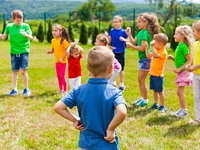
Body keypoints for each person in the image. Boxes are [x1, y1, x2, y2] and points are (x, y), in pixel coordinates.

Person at [54, 46, 127, 150]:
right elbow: (122, 112)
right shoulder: (114, 92)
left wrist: (75, 120)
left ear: (87, 67)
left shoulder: (78, 90)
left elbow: (58, 107)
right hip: (106, 145)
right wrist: (110, 129)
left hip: (86, 145)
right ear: (111, 68)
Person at [125, 13, 161, 107]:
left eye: (140, 22)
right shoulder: (140, 32)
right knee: (140, 80)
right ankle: (142, 98)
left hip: (146, 59)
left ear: (146, 22)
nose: (138, 24)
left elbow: (141, 48)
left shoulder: (145, 33)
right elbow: (134, 41)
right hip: (142, 59)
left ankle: (144, 100)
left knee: (141, 80)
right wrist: (129, 35)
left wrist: (131, 46)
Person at [0, 10, 33, 96]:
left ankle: (26, 89)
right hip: (13, 52)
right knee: (14, 71)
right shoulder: (9, 27)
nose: (19, 22)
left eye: (21, 20)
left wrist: (26, 35)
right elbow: (4, 37)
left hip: (24, 51)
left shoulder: (26, 26)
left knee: (23, 70)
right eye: (17, 21)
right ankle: (14, 89)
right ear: (13, 19)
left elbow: (31, 37)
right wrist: (1, 36)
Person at [168, 25, 194, 117]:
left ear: (183, 36)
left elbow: (189, 60)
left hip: (184, 72)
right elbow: (181, 60)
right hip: (181, 72)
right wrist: (173, 59)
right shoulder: (180, 45)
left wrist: (180, 69)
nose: (174, 36)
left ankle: (184, 111)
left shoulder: (183, 46)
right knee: (179, 92)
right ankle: (182, 109)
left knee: (179, 92)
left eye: (176, 34)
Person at [145, 33, 168, 113]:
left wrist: (152, 47)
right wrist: (146, 48)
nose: (154, 44)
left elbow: (154, 56)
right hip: (153, 74)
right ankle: (155, 103)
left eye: (155, 43)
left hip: (158, 76)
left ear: (161, 44)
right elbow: (148, 56)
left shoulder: (163, 52)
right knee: (154, 90)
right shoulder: (157, 50)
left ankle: (162, 106)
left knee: (160, 91)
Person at [47, 24, 71, 95]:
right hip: (57, 62)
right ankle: (61, 89)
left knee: (62, 76)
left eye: (55, 31)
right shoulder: (53, 40)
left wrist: (62, 58)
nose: (53, 32)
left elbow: (68, 50)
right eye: (53, 30)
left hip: (63, 62)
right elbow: (54, 49)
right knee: (58, 76)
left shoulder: (63, 41)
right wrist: (50, 51)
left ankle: (65, 90)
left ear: (60, 32)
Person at [107, 15, 128, 91]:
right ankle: (113, 82)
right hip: (113, 52)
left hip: (121, 52)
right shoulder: (112, 31)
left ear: (120, 22)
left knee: (121, 69)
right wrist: (109, 43)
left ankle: (122, 84)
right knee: (112, 67)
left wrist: (124, 39)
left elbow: (128, 41)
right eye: (114, 22)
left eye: (117, 22)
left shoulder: (123, 32)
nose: (115, 23)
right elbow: (109, 41)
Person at [188, 20, 200, 124]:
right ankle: (198, 118)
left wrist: (195, 66)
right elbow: (193, 57)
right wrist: (190, 64)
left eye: (194, 31)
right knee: (197, 96)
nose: (192, 33)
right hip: (196, 75)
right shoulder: (195, 44)